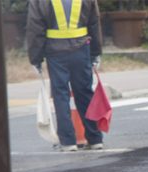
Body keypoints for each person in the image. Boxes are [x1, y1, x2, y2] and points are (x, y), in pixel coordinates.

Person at [26, 0, 104, 151]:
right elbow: (94, 24)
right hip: (81, 49)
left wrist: (35, 58)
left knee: (61, 95)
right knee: (85, 93)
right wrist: (95, 53)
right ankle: (95, 139)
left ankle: (68, 142)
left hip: (55, 51)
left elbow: (35, 29)